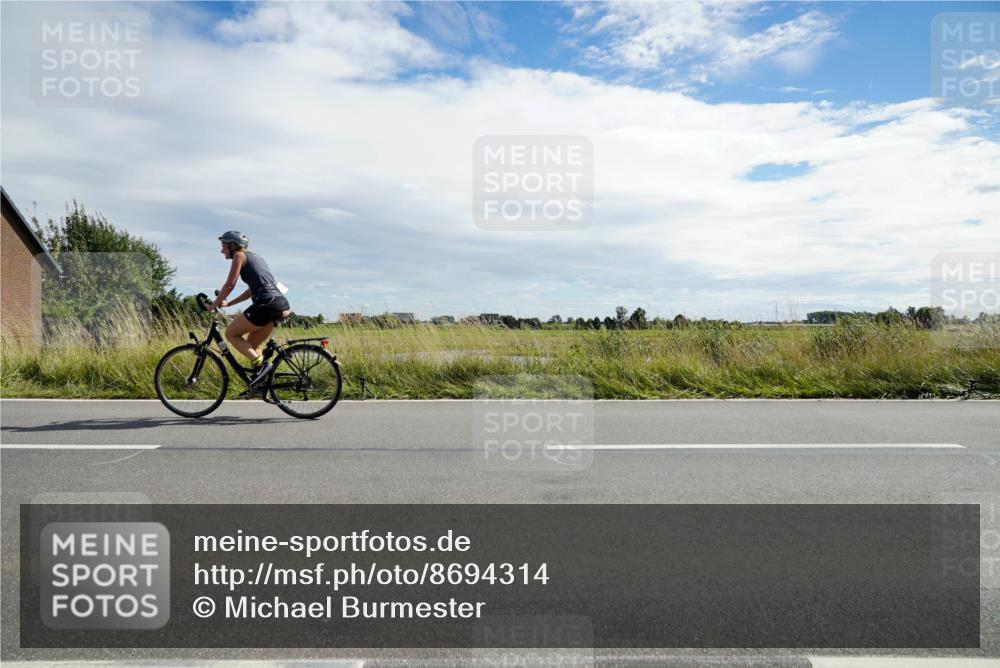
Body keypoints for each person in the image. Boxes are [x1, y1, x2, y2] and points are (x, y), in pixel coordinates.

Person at [208, 231, 290, 387]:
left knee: (231, 333)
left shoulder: (239, 256)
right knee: (252, 345)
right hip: (278, 302)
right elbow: (252, 290)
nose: (221, 250)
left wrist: (213, 305)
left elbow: (229, 284)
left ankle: (262, 365)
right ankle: (262, 384)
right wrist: (229, 303)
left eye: (223, 246)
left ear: (233, 245)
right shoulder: (257, 258)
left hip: (266, 303)